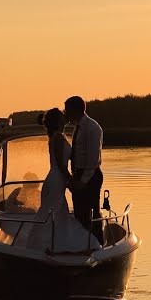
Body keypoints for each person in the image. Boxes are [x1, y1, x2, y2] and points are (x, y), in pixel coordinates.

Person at [12, 108, 100, 252]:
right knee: (53, 211)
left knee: (56, 212)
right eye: (62, 116)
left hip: (57, 179)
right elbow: (60, 164)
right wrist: (71, 181)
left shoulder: (57, 136)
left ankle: (49, 244)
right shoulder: (58, 137)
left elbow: (67, 158)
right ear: (59, 121)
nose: (65, 117)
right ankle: (48, 245)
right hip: (56, 179)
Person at [64, 96, 104, 245]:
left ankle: (97, 243)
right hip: (79, 174)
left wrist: (83, 180)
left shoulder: (92, 128)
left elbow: (93, 159)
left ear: (75, 110)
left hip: (90, 175)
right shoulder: (78, 127)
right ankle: (82, 243)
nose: (65, 113)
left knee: (91, 211)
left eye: (66, 109)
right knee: (80, 213)